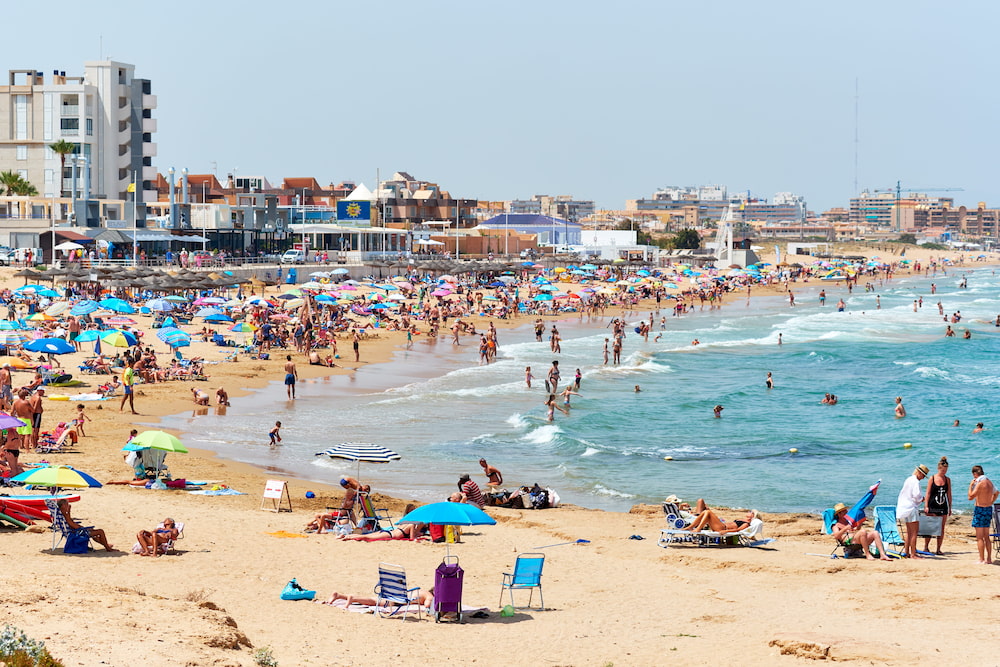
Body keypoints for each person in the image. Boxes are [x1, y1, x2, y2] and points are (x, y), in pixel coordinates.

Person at [896, 464, 929, 559]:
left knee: (909, 532)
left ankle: (907, 552)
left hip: (904, 507)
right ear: (919, 472)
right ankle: (913, 554)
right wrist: (923, 499)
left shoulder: (909, 479)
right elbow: (916, 495)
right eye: (923, 475)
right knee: (914, 532)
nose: (922, 478)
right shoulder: (916, 482)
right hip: (911, 507)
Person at [968, 465, 998, 565]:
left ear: (975, 474)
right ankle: (988, 559)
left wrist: (971, 485)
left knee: (980, 537)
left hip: (980, 508)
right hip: (988, 508)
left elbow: (971, 496)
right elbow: (997, 492)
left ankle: (981, 559)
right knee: (986, 536)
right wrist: (991, 501)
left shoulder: (979, 483)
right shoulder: (989, 482)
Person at [923, 456, 952, 555]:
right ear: (939, 468)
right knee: (930, 527)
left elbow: (949, 494)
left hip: (942, 506)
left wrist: (950, 508)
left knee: (941, 528)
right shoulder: (932, 478)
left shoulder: (947, 480)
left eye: (946, 470)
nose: (944, 471)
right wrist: (926, 506)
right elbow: (928, 493)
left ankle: (938, 549)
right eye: (943, 470)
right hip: (932, 505)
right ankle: (926, 547)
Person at [687, 507, 758, 535]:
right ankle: (691, 527)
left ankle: (697, 529)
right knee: (705, 512)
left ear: (753, 515)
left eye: (751, 512)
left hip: (722, 528)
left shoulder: (746, 524)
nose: (749, 511)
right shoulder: (742, 519)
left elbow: (738, 530)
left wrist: (726, 531)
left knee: (708, 512)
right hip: (721, 525)